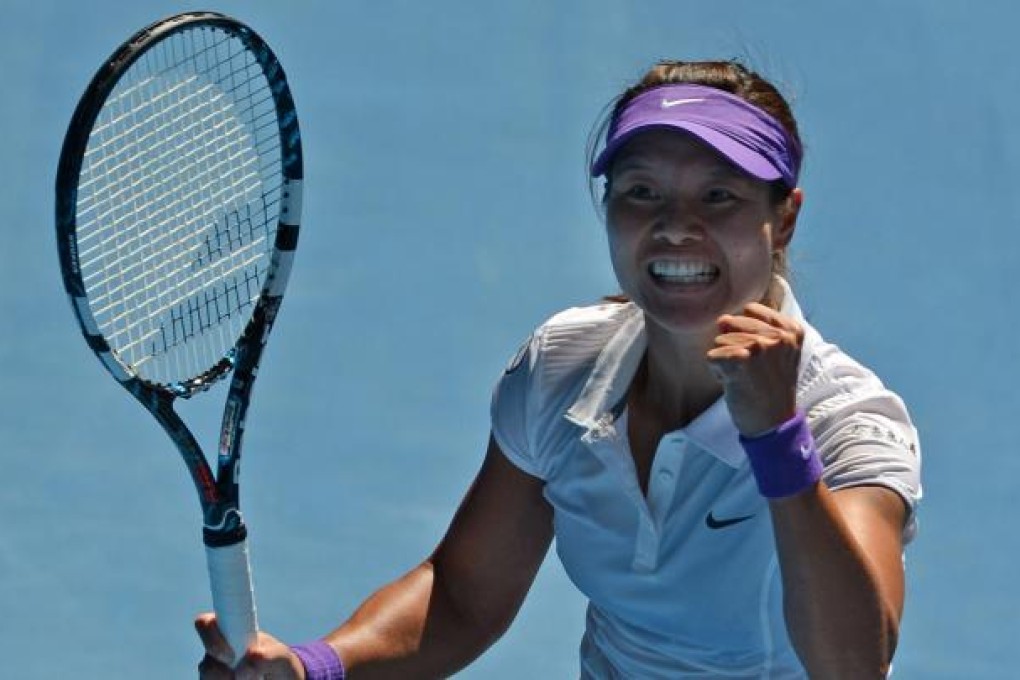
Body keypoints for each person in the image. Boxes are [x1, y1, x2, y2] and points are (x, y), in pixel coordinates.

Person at [196, 60, 922, 679]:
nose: (675, 224)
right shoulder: (565, 367)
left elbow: (852, 665)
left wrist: (776, 441)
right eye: (642, 192)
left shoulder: (844, 417)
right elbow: (462, 596)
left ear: (784, 218)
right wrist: (317, 667)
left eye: (719, 196)